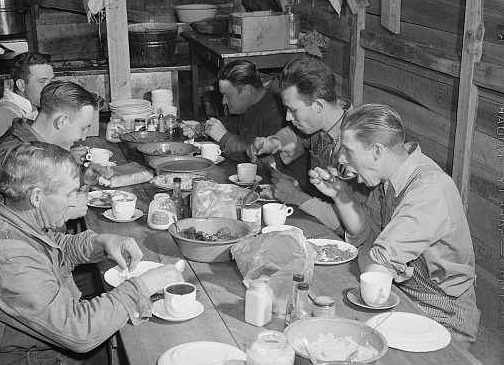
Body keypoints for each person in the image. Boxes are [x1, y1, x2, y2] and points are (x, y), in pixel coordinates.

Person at [0, 142, 183, 365]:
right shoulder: (7, 262)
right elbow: (80, 332)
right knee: (148, 353)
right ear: (37, 197)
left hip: (37, 346)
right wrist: (143, 286)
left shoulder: (4, 212)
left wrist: (98, 242)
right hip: (27, 362)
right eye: (70, 194)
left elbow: (45, 247)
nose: (74, 202)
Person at [309, 104, 480, 343]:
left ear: (377, 152)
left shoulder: (428, 190)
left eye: (347, 150)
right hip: (401, 292)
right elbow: (366, 238)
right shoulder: (389, 178)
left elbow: (376, 267)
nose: (340, 158)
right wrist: (341, 195)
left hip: (443, 314)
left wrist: (368, 257)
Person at [247, 58, 362, 234]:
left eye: (293, 110)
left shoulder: (356, 150)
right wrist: (274, 143)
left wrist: (297, 197)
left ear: (317, 105)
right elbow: (295, 135)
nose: (287, 117)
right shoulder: (322, 122)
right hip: (316, 220)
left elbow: (350, 225)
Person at [0, 80, 107, 215]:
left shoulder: (37, 144)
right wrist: (65, 213)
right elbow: (2, 225)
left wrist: (83, 177)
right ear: (62, 121)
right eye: (83, 129)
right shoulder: (13, 157)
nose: (83, 137)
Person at [0, 52, 54, 180]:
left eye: (51, 81)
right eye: (42, 82)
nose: (50, 88)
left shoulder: (28, 109)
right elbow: (16, 172)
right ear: (21, 85)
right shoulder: (4, 118)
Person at [182, 60, 287, 162]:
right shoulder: (254, 101)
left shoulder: (278, 112)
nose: (224, 102)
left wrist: (225, 139)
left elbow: (269, 160)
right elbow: (238, 124)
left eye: (227, 95)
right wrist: (205, 128)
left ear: (247, 90)